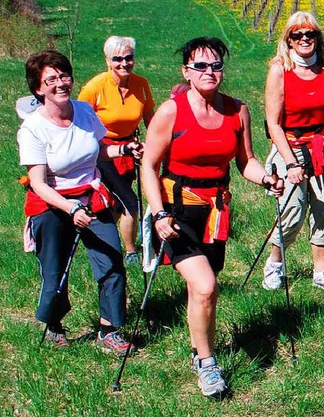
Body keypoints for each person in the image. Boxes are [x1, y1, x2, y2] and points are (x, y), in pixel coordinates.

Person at [142, 37, 283, 398]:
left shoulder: (237, 111)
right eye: (201, 66)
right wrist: (158, 213)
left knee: (202, 291)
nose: (210, 72)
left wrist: (266, 178)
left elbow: (245, 161)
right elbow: (149, 165)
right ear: (186, 72)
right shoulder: (172, 111)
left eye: (216, 65)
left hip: (215, 212)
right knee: (205, 286)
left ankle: (198, 348)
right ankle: (207, 362)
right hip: (175, 213)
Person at [17, 50, 138, 355]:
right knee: (55, 271)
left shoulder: (84, 112)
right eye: (51, 79)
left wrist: (125, 149)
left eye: (64, 76)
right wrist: (70, 209)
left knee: (112, 262)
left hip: (91, 198)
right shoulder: (33, 128)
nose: (61, 83)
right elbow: (39, 184)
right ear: (38, 88)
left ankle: (109, 329)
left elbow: (98, 152)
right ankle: (54, 324)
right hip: (52, 204)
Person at [262, 11, 324, 292]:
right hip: (290, 146)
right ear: (289, 39)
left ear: (318, 38)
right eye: (297, 35)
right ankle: (275, 264)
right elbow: (273, 123)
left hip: (322, 145)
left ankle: (321, 272)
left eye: (310, 34)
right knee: (292, 211)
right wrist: (290, 163)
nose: (304, 39)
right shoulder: (279, 70)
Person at [78, 36, 155, 264]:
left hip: (130, 149)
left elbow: (152, 120)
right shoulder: (95, 87)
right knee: (130, 203)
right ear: (107, 60)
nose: (124, 63)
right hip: (103, 151)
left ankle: (106, 242)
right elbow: (80, 123)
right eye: (117, 59)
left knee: (115, 203)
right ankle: (130, 252)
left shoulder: (141, 84)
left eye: (128, 58)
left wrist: (149, 147)